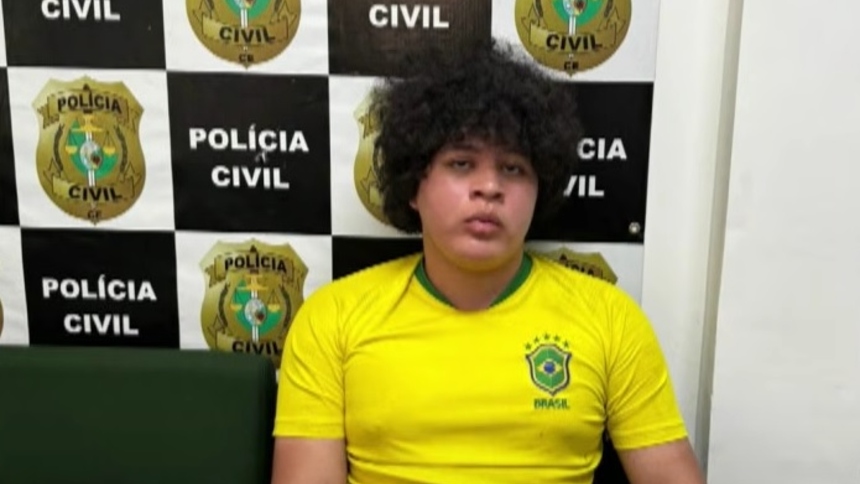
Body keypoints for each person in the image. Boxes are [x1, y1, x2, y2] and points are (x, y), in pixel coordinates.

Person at [270, 38, 706, 484]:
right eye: (461, 164)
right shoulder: (332, 320)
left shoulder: (610, 319)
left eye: (513, 168)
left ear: (540, 188)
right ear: (414, 186)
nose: (489, 188)